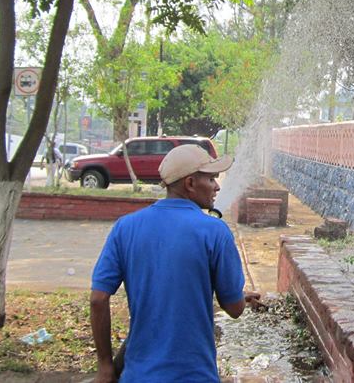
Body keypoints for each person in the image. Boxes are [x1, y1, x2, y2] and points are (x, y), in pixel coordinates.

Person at [89, 144, 258, 382]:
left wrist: (105, 366)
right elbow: (234, 308)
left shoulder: (126, 227)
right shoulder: (215, 231)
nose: (217, 187)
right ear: (190, 184)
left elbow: (98, 300)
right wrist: (237, 297)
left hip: (138, 375)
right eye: (211, 179)